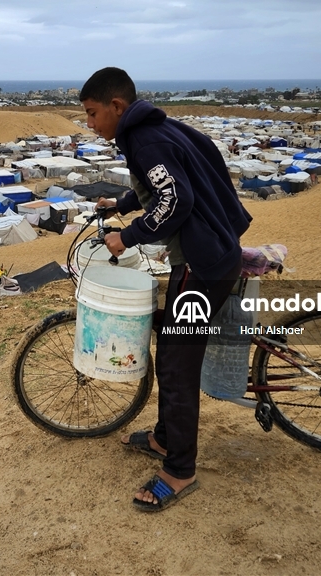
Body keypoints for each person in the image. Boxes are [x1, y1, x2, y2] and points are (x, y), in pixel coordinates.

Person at [79, 67, 251, 512]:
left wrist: (128, 234)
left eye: (93, 114)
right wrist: (122, 202)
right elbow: (165, 182)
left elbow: (176, 199)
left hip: (202, 264)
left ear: (117, 106)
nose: (91, 124)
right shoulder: (155, 127)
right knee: (174, 349)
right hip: (206, 254)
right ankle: (163, 438)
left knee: (176, 365)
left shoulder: (145, 139)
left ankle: (179, 470)